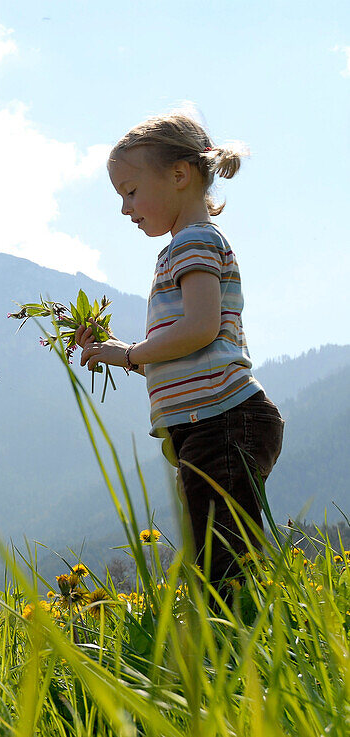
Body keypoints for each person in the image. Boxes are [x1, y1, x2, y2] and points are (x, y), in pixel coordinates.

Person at [77, 113, 284, 599]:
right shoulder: (182, 248)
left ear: (178, 174)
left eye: (129, 191)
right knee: (215, 553)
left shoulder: (194, 241)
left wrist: (129, 354)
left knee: (222, 561)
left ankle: (239, 651)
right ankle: (237, 645)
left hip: (225, 420)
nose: (125, 208)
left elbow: (200, 328)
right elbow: (184, 347)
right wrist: (117, 352)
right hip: (208, 423)